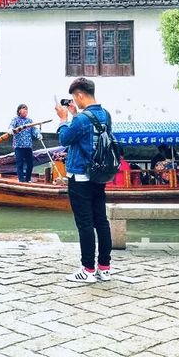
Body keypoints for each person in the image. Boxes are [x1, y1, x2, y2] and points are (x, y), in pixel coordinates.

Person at [55, 77, 113, 284]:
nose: (74, 101)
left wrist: (63, 119)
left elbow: (65, 139)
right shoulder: (105, 115)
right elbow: (93, 137)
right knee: (101, 221)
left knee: (85, 224)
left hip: (80, 176)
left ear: (79, 95)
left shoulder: (81, 120)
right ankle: (104, 268)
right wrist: (75, 115)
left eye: (74, 98)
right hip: (99, 176)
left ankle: (87, 270)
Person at [8, 104, 41, 183]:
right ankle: (21, 180)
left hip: (28, 146)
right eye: (24, 109)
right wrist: (10, 129)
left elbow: (34, 130)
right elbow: (11, 126)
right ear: (19, 110)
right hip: (18, 146)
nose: (26, 110)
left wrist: (38, 134)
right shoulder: (15, 119)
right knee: (20, 164)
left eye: (26, 109)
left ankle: (28, 179)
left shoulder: (29, 120)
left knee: (30, 164)